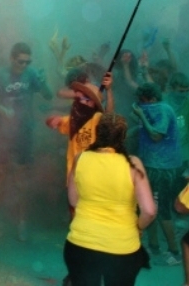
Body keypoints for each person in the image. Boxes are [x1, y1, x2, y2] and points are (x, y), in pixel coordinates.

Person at [64, 113, 156, 285]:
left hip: (81, 243)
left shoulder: (81, 158)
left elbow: (73, 201)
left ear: (97, 133)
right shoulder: (133, 164)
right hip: (121, 248)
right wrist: (137, 227)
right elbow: (149, 211)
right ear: (123, 136)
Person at [0, 42, 51, 240]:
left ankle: (21, 223)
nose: (24, 65)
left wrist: (44, 81)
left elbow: (47, 96)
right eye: (21, 61)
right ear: (12, 58)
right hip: (2, 133)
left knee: (22, 180)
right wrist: (3, 110)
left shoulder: (31, 74)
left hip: (24, 132)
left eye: (28, 62)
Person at [132, 82, 183, 264]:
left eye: (143, 102)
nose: (141, 105)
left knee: (162, 210)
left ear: (152, 99)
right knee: (148, 207)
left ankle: (175, 252)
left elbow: (156, 135)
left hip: (163, 168)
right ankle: (154, 247)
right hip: (151, 166)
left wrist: (141, 115)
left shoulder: (162, 110)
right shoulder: (150, 109)